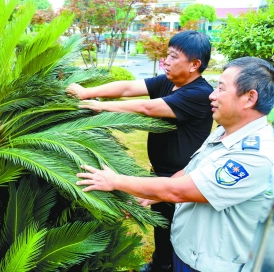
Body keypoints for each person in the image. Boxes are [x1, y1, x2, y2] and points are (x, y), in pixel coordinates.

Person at [75, 56, 274, 272]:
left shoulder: (255, 157)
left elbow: (180, 191)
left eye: (221, 89)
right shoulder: (223, 133)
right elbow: (189, 172)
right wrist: (149, 194)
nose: (212, 95)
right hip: (187, 253)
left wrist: (115, 181)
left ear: (249, 98)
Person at [67, 30, 213, 272]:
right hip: (161, 173)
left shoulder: (199, 93)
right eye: (167, 54)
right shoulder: (169, 82)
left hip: (183, 177)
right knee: (163, 227)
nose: (166, 61)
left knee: (180, 232)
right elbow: (128, 88)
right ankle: (160, 264)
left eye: (174, 57)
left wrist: (103, 109)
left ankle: (170, 265)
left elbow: (148, 107)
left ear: (194, 65)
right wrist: (87, 92)